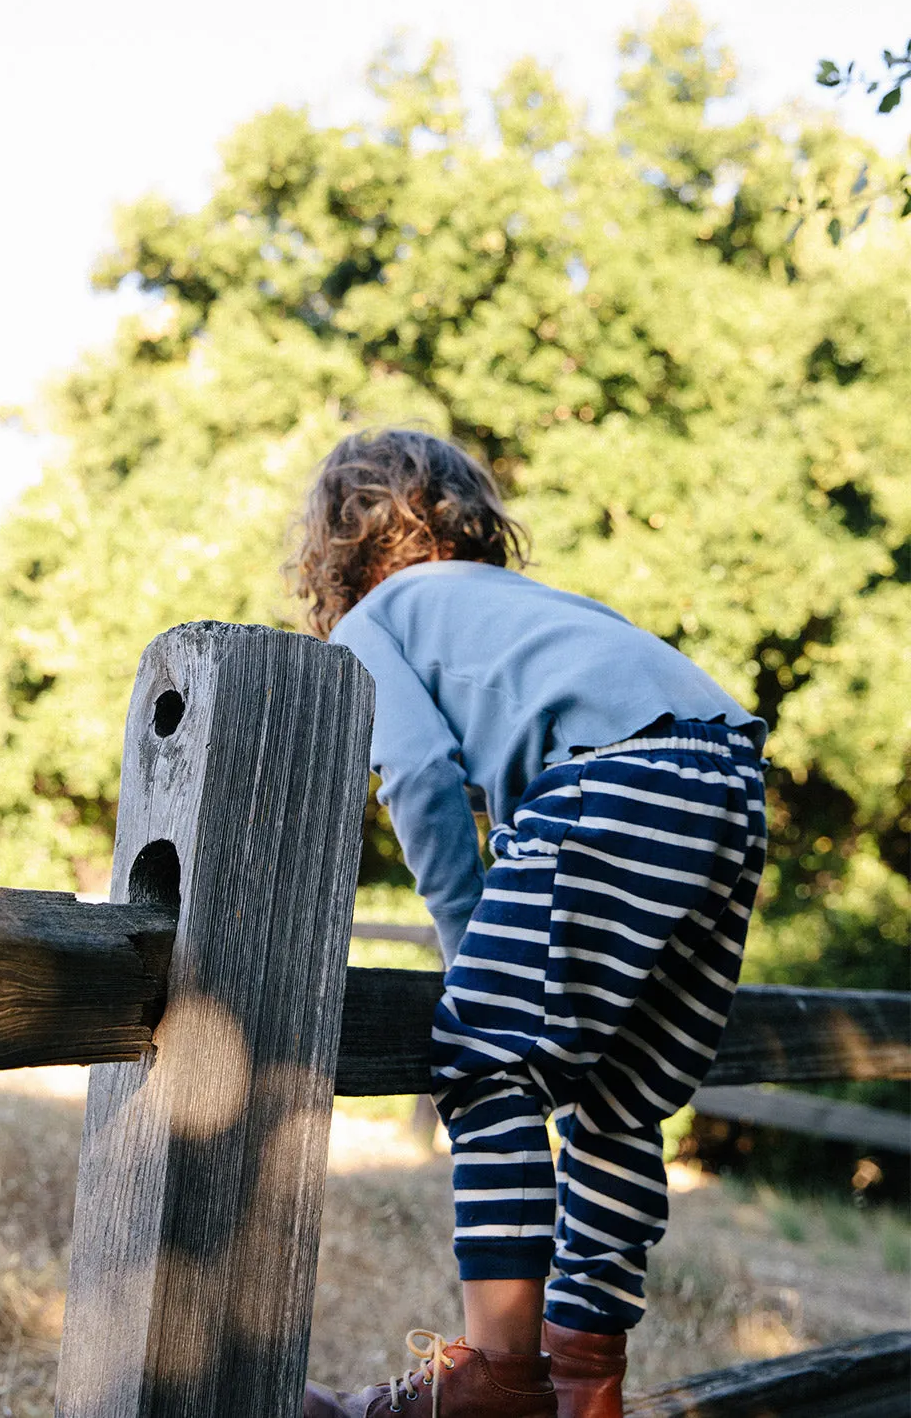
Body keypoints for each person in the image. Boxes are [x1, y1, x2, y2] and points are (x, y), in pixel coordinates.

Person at [291, 430, 768, 1418]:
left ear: (338, 545)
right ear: (468, 517)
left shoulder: (377, 617)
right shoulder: (525, 607)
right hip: (727, 774)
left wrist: (470, 955)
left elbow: (417, 773)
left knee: (485, 1060)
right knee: (623, 1101)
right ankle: (588, 1382)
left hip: (618, 775)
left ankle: (500, 1377)